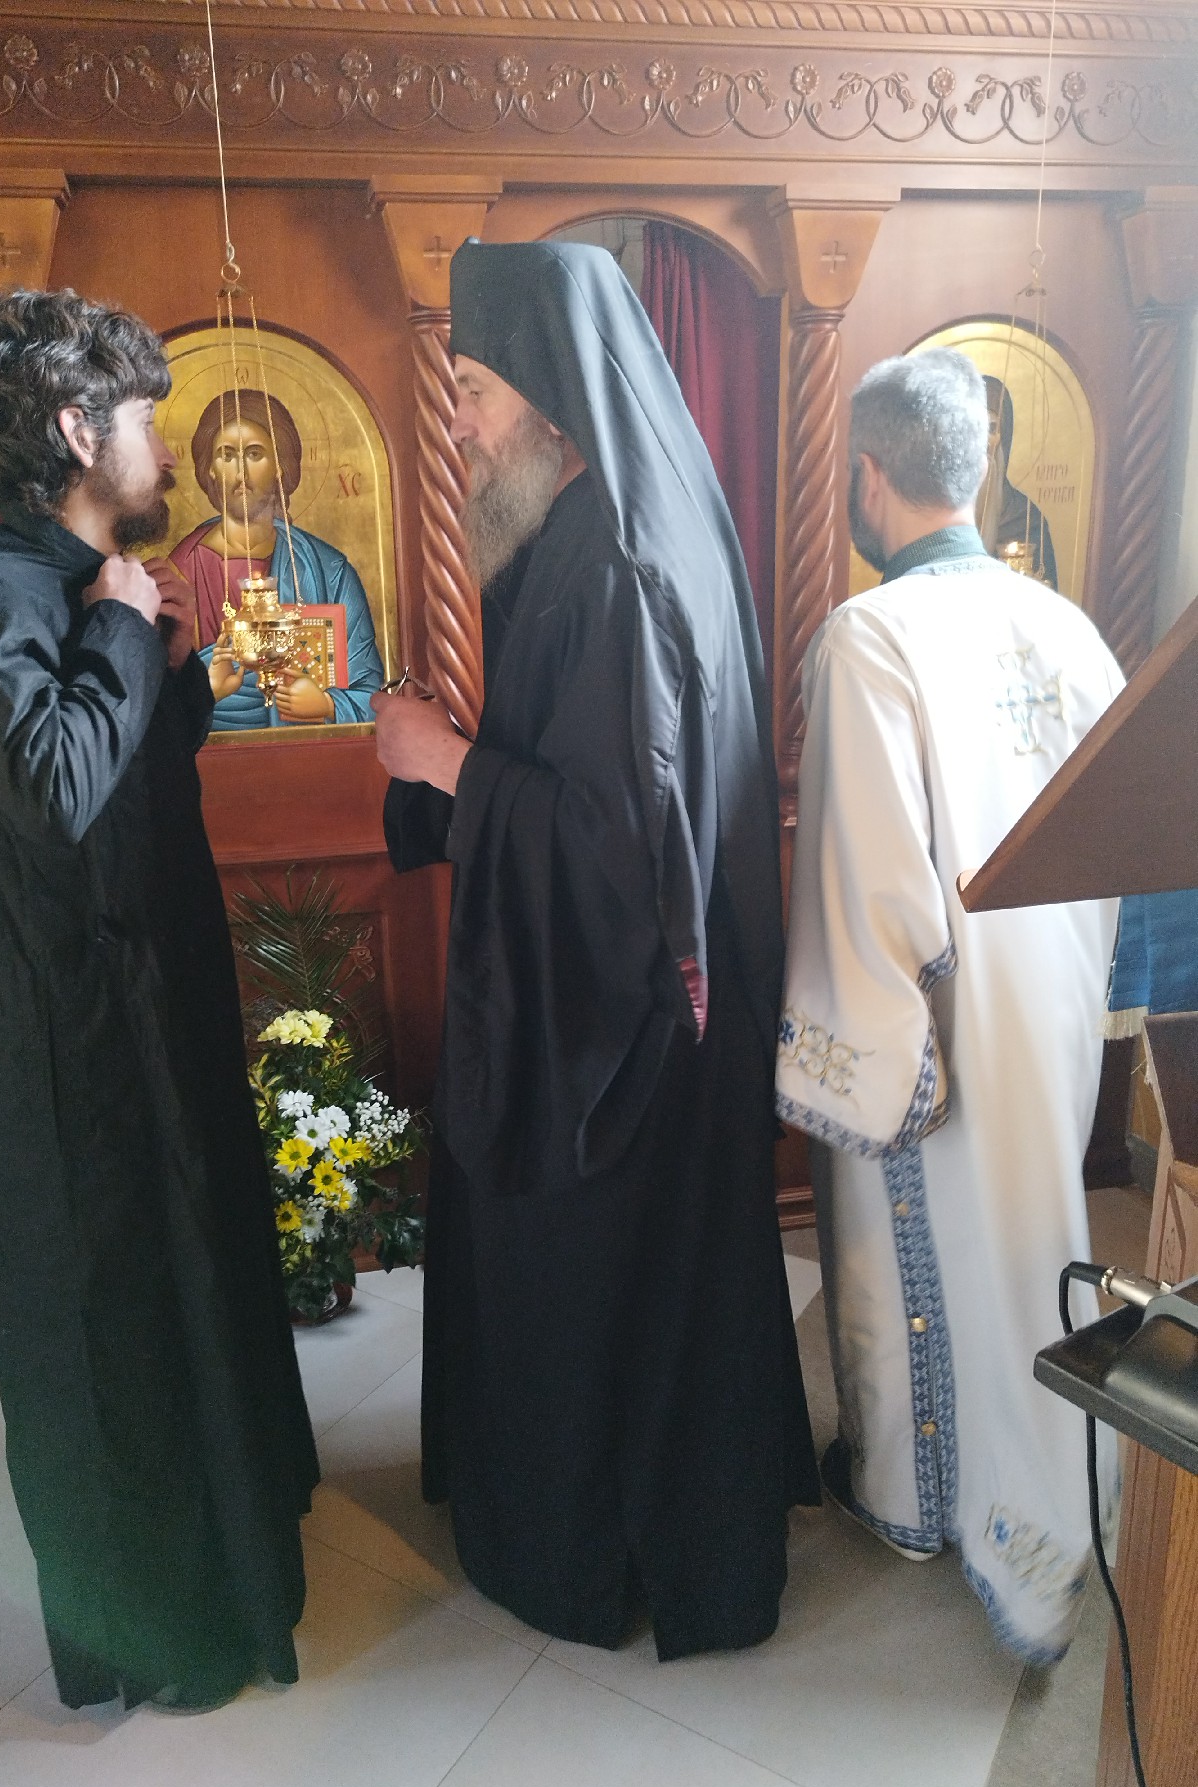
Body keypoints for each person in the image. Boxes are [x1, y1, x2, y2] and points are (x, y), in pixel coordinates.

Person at [374, 239, 818, 1659]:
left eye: (473, 391)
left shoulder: (614, 561)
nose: (457, 426)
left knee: (597, 1292)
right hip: (654, 1019)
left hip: (621, 1040)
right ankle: (663, 1526)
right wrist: (469, 757)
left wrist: (445, 766)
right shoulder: (612, 522)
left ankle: (599, 1545)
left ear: (555, 395)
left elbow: (620, 853)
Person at [0, 289, 319, 1711]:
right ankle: (162, 1628)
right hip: (78, 1045)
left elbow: (127, 779)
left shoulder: (102, 585)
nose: (162, 445)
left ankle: (240, 1569)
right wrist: (118, 636)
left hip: (163, 1005)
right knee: (119, 1327)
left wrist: (170, 667)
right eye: (146, 417)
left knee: (198, 1283)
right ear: (78, 429)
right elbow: (50, 790)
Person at [776, 347, 1123, 1664]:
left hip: (936, 1025)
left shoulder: (870, 637)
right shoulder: (1068, 626)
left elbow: (868, 872)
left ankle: (919, 1502)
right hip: (1051, 1001)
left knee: (922, 1261)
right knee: (1031, 1243)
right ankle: (1048, 1490)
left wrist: (861, 1051)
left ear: (868, 477)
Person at [168, 389, 384, 729]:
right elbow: (141, 710)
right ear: (209, 469)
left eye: (254, 454)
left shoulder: (329, 572)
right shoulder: (177, 576)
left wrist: (327, 704)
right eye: (226, 455)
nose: (240, 472)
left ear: (280, 466)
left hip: (306, 757)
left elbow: (372, 697)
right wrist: (203, 694)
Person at [978, 374, 1059, 589]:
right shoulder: (941, 512)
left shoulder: (1026, 519)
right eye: (974, 428)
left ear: (1004, 435)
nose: (982, 442)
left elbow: (1046, 597)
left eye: (991, 429)